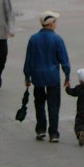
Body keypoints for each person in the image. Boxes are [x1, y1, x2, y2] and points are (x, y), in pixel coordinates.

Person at [23, 11, 71, 142]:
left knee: (39, 103)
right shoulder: (57, 39)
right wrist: (67, 76)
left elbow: (28, 60)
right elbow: (64, 59)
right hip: (52, 77)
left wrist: (27, 77)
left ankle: (40, 129)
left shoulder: (33, 39)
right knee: (53, 104)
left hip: (37, 76)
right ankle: (54, 133)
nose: (56, 24)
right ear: (50, 24)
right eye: (55, 22)